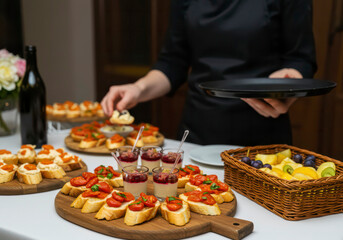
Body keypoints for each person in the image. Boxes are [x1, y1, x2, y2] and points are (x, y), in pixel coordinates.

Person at [101, 0, 316, 146]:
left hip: (262, 129)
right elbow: (173, 62)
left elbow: (301, 58)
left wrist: (287, 84)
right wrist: (138, 88)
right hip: (198, 132)